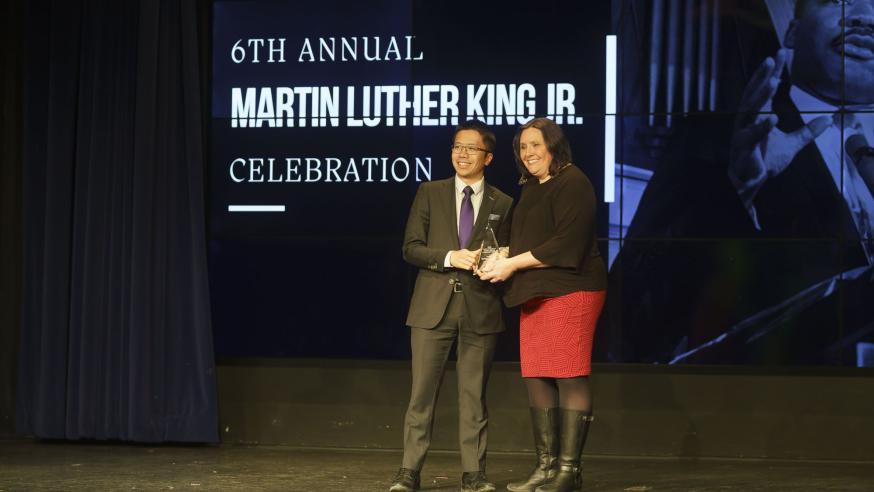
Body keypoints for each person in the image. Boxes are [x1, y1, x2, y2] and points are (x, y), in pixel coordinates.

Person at [604, 0, 874, 365]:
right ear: (792, 33)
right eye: (838, 1)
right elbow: (630, 315)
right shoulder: (715, 139)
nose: (863, 16)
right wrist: (735, 193)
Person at [478, 117, 607, 492]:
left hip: (572, 289)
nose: (528, 153)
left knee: (568, 373)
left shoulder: (574, 182)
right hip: (534, 291)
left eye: (536, 144)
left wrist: (512, 264)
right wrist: (498, 255)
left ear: (553, 145)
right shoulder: (532, 187)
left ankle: (569, 472)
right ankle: (546, 469)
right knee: (536, 374)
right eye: (522, 147)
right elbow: (527, 240)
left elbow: (566, 244)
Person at [389, 120, 513, 492]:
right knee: (421, 395)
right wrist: (448, 257)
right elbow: (411, 247)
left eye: (471, 148)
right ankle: (409, 472)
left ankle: (474, 474)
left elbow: (505, 251)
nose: (462, 154)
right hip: (432, 307)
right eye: (457, 147)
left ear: (487, 157)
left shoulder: (503, 202)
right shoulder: (430, 191)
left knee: (474, 397)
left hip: (480, 308)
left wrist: (498, 258)